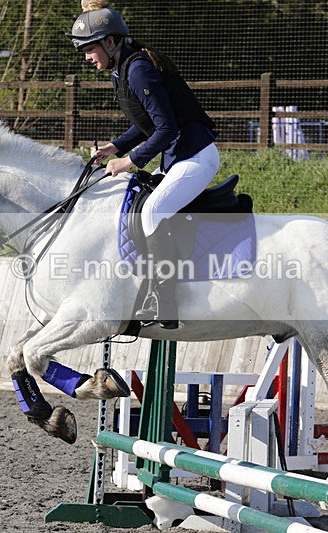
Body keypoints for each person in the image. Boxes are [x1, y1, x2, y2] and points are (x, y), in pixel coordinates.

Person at [66, 2, 219, 329]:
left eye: (89, 49)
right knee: (136, 205)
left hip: (196, 156)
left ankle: (165, 303)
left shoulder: (137, 70)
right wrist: (115, 147)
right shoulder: (122, 69)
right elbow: (146, 124)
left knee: (151, 212)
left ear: (110, 42)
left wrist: (129, 161)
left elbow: (167, 129)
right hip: (177, 157)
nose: (87, 57)